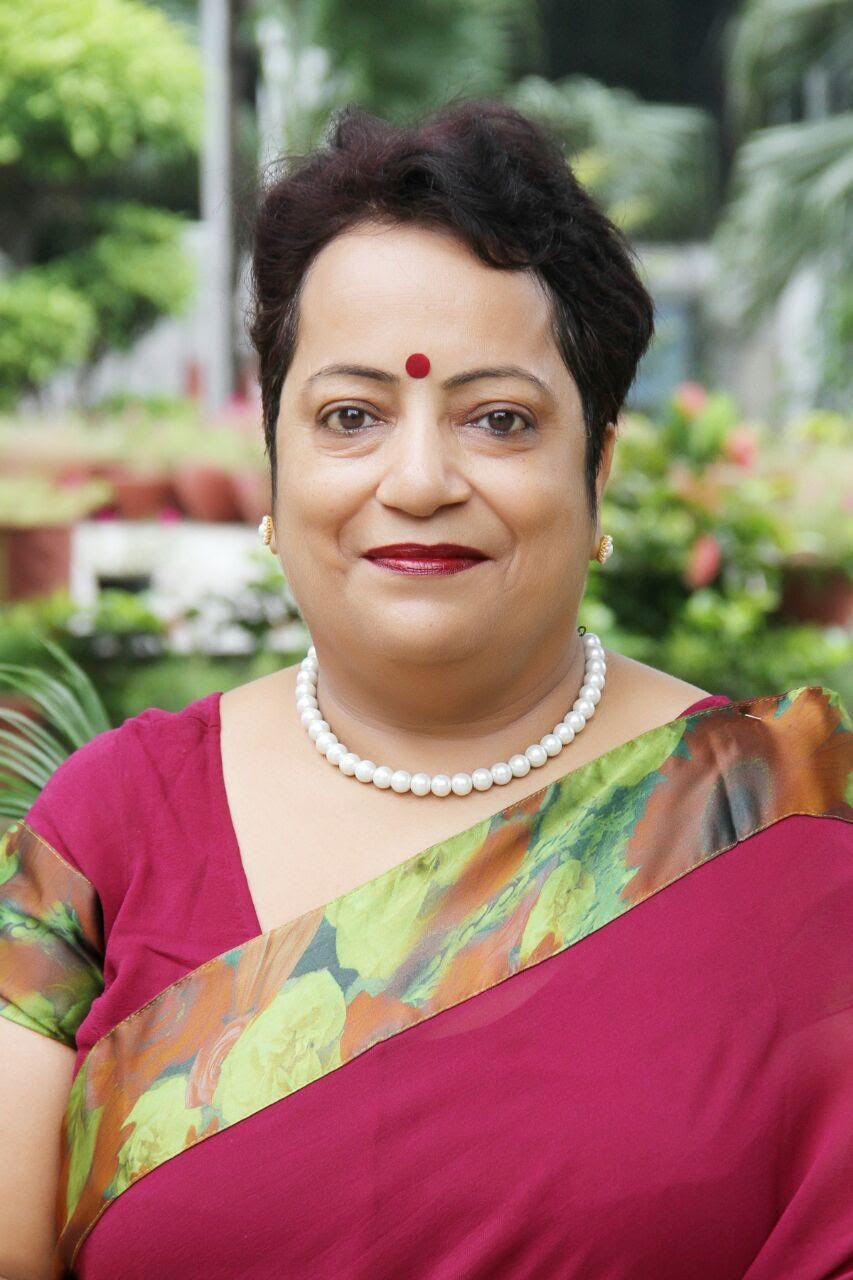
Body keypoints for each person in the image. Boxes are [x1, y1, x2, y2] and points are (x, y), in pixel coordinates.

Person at [1, 97, 851, 1280]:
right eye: (350, 415)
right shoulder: (112, 827)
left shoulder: (780, 828)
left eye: (497, 419)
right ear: (275, 459)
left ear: (598, 463)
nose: (417, 479)